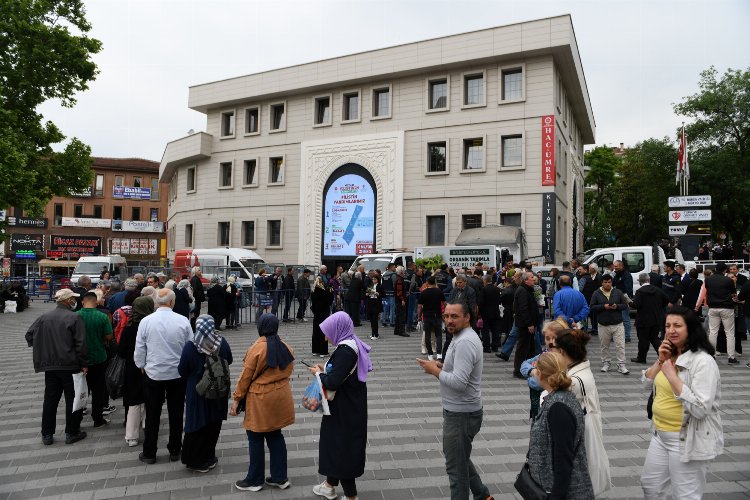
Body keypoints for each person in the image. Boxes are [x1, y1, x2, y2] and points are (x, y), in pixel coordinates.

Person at [640, 306, 723, 499]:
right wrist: (660, 362)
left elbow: (701, 409)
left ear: (690, 328)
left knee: (685, 495)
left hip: (686, 438)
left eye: (677, 325)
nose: (671, 330)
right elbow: (645, 385)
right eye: (668, 325)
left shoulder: (703, 361)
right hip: (660, 435)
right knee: (651, 487)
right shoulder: (669, 355)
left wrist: (672, 376)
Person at [416, 302, 492, 500]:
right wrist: (441, 365)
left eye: (454, 316)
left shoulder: (465, 341)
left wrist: (435, 371)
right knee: (460, 459)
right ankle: (483, 495)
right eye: (446, 316)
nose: (449, 320)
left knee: (456, 469)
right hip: (459, 411)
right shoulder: (461, 337)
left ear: (467, 317)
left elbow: (459, 383)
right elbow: (460, 371)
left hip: (462, 413)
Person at [310, 312, 371, 500]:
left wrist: (318, 374)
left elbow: (333, 382)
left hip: (345, 409)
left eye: (328, 332)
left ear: (338, 330)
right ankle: (329, 485)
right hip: (347, 405)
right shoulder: (350, 343)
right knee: (335, 445)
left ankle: (351, 496)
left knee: (342, 448)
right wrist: (325, 369)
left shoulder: (346, 350)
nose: (326, 336)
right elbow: (339, 373)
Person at [231, 314, 295, 491]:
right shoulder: (286, 347)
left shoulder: (257, 349)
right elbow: (288, 370)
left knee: (255, 437)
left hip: (260, 398)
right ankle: (280, 478)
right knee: (276, 436)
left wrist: (236, 399)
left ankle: (255, 480)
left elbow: (245, 377)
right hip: (280, 395)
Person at [134, 288, 193, 464]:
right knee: (176, 413)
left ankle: (150, 452)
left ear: (156, 302)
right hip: (177, 374)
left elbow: (140, 347)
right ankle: (175, 449)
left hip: (153, 373)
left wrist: (141, 365)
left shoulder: (146, 321)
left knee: (152, 414)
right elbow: (190, 347)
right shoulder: (183, 321)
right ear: (172, 302)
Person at [526, 351, 594, 498]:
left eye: (536, 370)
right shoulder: (559, 397)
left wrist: (556, 495)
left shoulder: (558, 407)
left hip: (563, 491)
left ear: (541, 375)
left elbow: (563, 458)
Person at [26, 289, 88, 445]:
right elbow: (80, 344)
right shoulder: (74, 317)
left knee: (50, 400)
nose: (75, 301)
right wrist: (84, 364)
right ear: (67, 301)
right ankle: (71, 432)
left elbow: (29, 335)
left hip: (50, 366)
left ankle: (47, 434)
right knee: (71, 399)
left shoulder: (44, 317)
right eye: (73, 298)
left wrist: (43, 346)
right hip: (70, 365)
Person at [178, 315, 233, 472]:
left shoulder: (191, 346)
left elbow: (182, 370)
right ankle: (209, 456)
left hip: (197, 391)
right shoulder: (221, 343)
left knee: (197, 422)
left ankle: (196, 460)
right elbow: (229, 359)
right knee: (214, 422)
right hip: (218, 389)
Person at [118, 296, 153, 447]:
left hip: (132, 369)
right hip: (151, 367)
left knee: (133, 402)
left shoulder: (129, 326)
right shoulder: (152, 325)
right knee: (149, 398)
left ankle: (131, 436)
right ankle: (147, 424)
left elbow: (120, 351)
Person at [77, 291, 114, 427]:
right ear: (96, 301)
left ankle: (78, 416)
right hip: (99, 357)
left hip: (80, 359)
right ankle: (97, 418)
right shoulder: (102, 316)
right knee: (98, 390)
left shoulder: (75, 316)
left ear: (83, 302)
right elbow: (109, 337)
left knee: (80, 389)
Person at [590, 274, 630, 374]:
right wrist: (604, 306)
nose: (607, 284)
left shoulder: (617, 292)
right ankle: (606, 363)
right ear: (602, 283)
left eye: (609, 282)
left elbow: (625, 305)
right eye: (605, 282)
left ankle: (621, 364)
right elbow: (592, 307)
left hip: (617, 323)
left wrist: (616, 306)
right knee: (604, 346)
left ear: (612, 283)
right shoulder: (596, 293)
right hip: (603, 324)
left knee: (620, 345)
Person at [704, 262, 739, 365]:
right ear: (724, 270)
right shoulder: (728, 280)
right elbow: (733, 293)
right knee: (729, 333)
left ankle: (712, 355)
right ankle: (731, 357)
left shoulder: (708, 280)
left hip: (713, 307)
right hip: (727, 307)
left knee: (713, 332)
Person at [632, 273, 669, 364]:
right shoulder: (658, 290)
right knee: (654, 338)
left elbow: (636, 305)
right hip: (655, 318)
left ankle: (642, 357)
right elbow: (666, 300)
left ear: (640, 281)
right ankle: (663, 355)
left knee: (643, 339)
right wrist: (659, 307)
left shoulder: (640, 292)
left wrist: (628, 302)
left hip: (643, 319)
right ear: (649, 280)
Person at [418, 276, 446, 360]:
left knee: (427, 335)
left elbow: (419, 306)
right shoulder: (439, 291)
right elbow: (444, 303)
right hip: (437, 315)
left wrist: (419, 317)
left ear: (427, 283)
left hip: (426, 315)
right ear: (435, 282)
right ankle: (439, 353)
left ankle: (430, 354)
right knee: (438, 335)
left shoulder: (423, 292)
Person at [478, 274, 502, 353]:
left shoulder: (483, 290)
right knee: (495, 330)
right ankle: (495, 346)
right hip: (495, 312)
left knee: (485, 331)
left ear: (485, 281)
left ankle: (487, 347)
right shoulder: (497, 289)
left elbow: (480, 303)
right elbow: (499, 301)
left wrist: (479, 313)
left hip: (485, 313)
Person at [311, 276, 334, 357]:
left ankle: (315, 350)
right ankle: (323, 352)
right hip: (324, 314)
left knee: (316, 331)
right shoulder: (324, 292)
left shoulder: (313, 291)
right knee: (323, 332)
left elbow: (313, 305)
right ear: (321, 283)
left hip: (316, 314)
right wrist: (331, 292)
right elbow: (329, 301)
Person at [612, 260, 634, 343]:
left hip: (624, 298)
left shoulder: (626, 275)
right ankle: (619, 335)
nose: (615, 268)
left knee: (625, 318)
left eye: (616, 266)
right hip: (617, 298)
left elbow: (629, 288)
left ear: (621, 266)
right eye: (614, 266)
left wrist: (628, 300)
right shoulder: (617, 274)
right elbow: (613, 283)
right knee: (618, 318)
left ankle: (627, 336)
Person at [366, 274, 384, 340]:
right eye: (373, 279)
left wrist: (378, 294)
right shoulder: (371, 286)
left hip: (376, 304)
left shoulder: (380, 286)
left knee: (375, 319)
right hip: (371, 303)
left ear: (378, 280)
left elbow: (383, 294)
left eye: (375, 279)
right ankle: (373, 333)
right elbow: (367, 293)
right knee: (371, 319)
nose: (373, 280)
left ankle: (376, 334)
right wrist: (367, 294)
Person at [190, 267, 205, 331]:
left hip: (197, 300)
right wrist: (200, 296)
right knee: (195, 315)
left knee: (196, 314)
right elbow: (195, 290)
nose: (200, 271)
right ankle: (193, 329)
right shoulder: (194, 279)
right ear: (195, 272)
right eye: (199, 270)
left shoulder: (196, 279)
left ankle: (193, 328)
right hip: (196, 300)